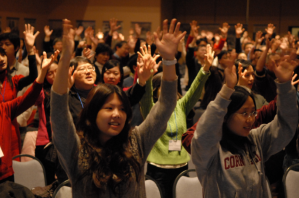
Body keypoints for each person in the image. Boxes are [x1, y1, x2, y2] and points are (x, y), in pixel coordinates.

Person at [51, 18, 184, 197]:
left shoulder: (137, 141)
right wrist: (66, 58)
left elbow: (166, 105)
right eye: (109, 108)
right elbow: (59, 113)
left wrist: (169, 59)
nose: (117, 114)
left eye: (122, 109)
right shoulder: (77, 150)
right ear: (93, 112)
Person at [191, 54, 298, 197]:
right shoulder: (211, 150)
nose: (250, 119)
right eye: (244, 113)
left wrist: (285, 88)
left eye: (253, 112)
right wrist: (225, 92)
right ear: (226, 116)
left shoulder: (256, 139)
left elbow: (285, 127)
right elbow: (203, 134)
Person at [139, 43, 212, 198]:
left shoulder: (181, 106)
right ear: (156, 90)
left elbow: (194, 90)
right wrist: (148, 75)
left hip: (182, 166)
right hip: (158, 169)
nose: (170, 90)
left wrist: (204, 69)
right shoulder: (150, 109)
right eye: (165, 87)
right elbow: (144, 96)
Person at [0, 48, 57, 183]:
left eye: (2, 55)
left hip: (3, 171)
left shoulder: (4, 108)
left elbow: (28, 98)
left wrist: (42, 71)